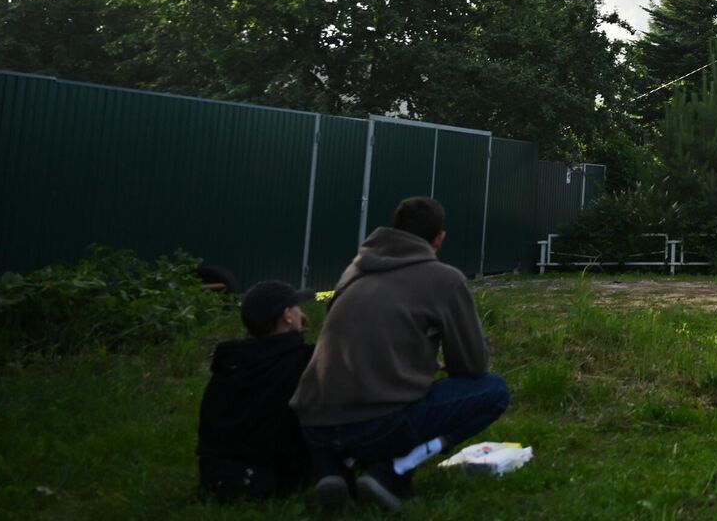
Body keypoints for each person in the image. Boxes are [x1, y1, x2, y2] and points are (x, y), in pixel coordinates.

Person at [292, 196, 510, 510]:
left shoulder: (354, 270)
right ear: (439, 238)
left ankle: (334, 470)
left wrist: (414, 359)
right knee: (493, 390)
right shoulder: (444, 279)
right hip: (375, 424)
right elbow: (473, 366)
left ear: (395, 230)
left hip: (314, 423)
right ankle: (393, 471)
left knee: (361, 416)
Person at [196, 280, 318, 500]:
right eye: (297, 308)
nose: (302, 313)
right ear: (287, 316)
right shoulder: (304, 360)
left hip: (216, 475)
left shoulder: (230, 363)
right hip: (277, 478)